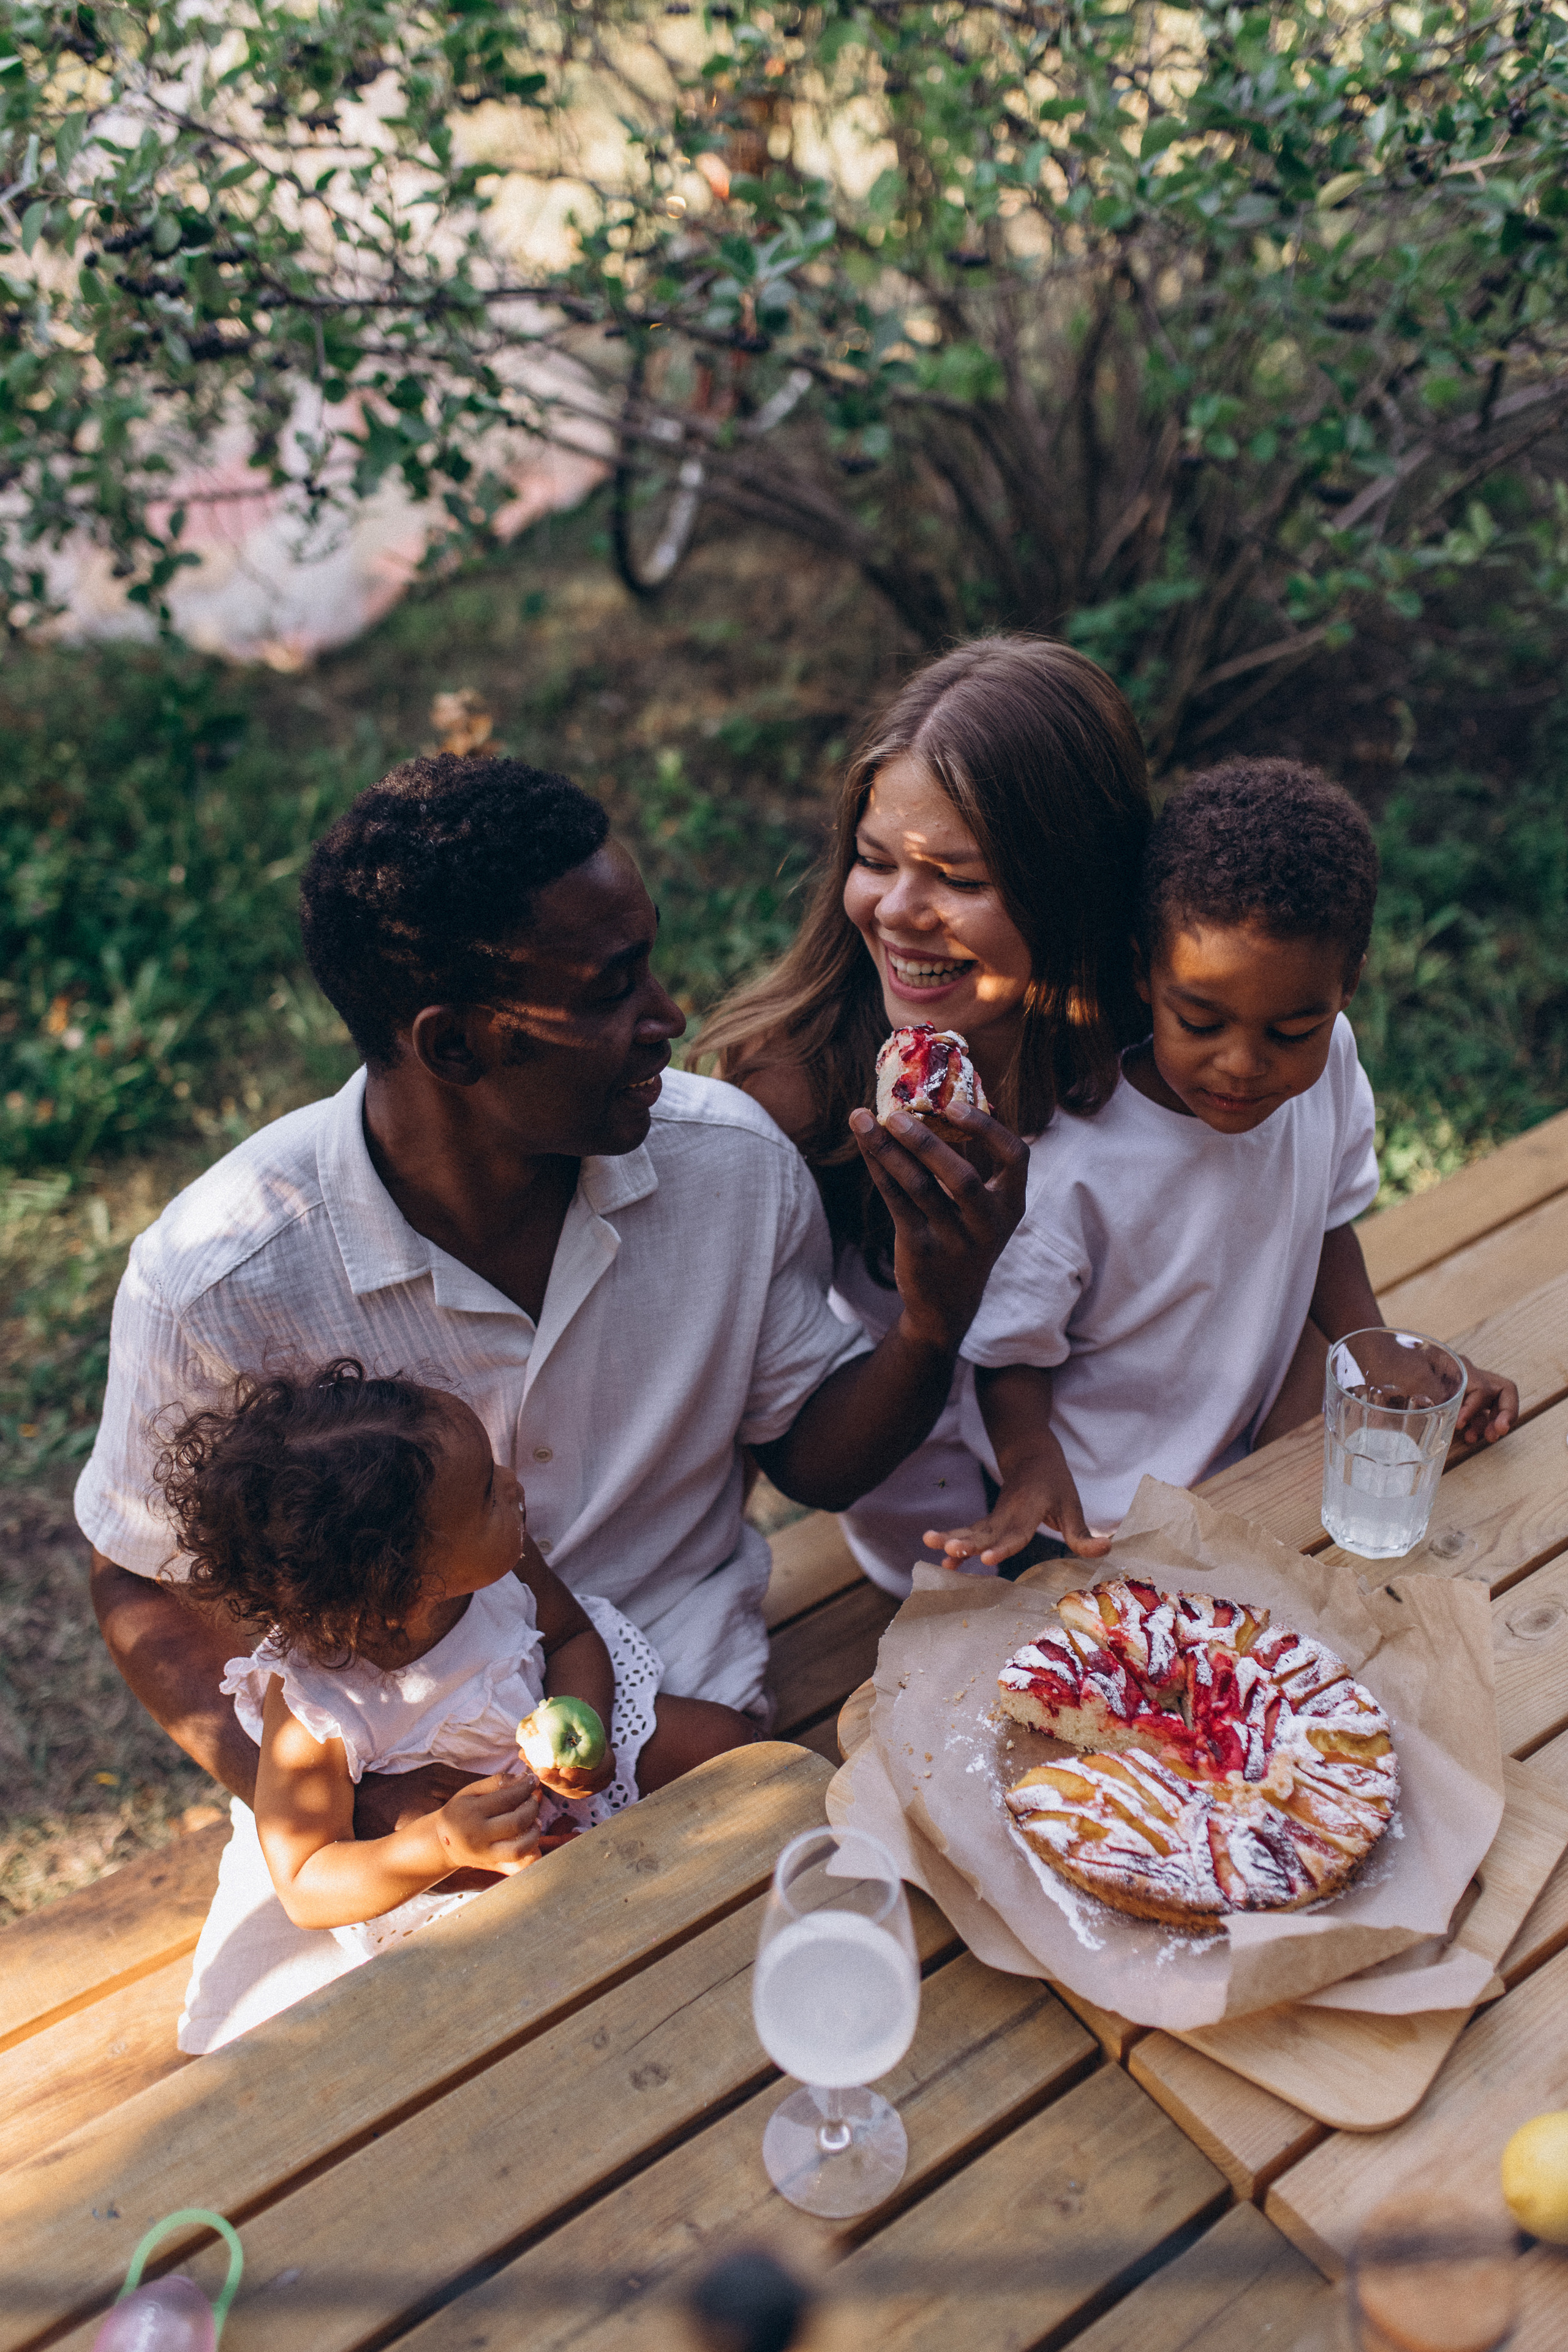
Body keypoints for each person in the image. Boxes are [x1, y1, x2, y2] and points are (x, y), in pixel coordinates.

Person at [80, 752, 1027, 2035]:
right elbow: (140, 1581)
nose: (669, 1016)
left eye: (649, 964)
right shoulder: (223, 1281)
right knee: (326, 2091)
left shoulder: (728, 1168)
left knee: (819, 2005)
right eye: (612, 988)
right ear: (452, 1043)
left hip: (674, 1701)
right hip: (392, 1765)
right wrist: (361, 1806)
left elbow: (812, 1458)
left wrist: (933, 1316)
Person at [924, 758, 1518, 1567]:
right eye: (1200, 1022)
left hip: (1246, 1462)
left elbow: (1322, 1220)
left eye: (1290, 1032)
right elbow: (1007, 1356)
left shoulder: (1331, 1065)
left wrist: (1377, 1350)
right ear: (1145, 972)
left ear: (1347, 987)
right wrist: (1032, 1468)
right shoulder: (1074, 1167)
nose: (1242, 1065)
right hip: (1092, 1520)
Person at [699, 636, 1153, 1593]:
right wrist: (935, 1308)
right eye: (875, 861)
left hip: (1141, 1515)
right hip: (931, 1563)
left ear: (1077, 889)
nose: (900, 910)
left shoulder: (1160, 1051)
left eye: (962, 878)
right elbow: (772, 1429)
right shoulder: (799, 1094)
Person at [156, 1360, 754, 2048]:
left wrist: (584, 1732)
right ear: (411, 1582)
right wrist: (438, 1845)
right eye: (488, 1497)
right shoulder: (315, 1704)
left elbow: (570, 1636)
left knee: (726, 1743)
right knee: (547, 1960)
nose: (513, 1485)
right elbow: (304, 1879)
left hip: (555, 1775)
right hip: (455, 1862)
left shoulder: (503, 1566)